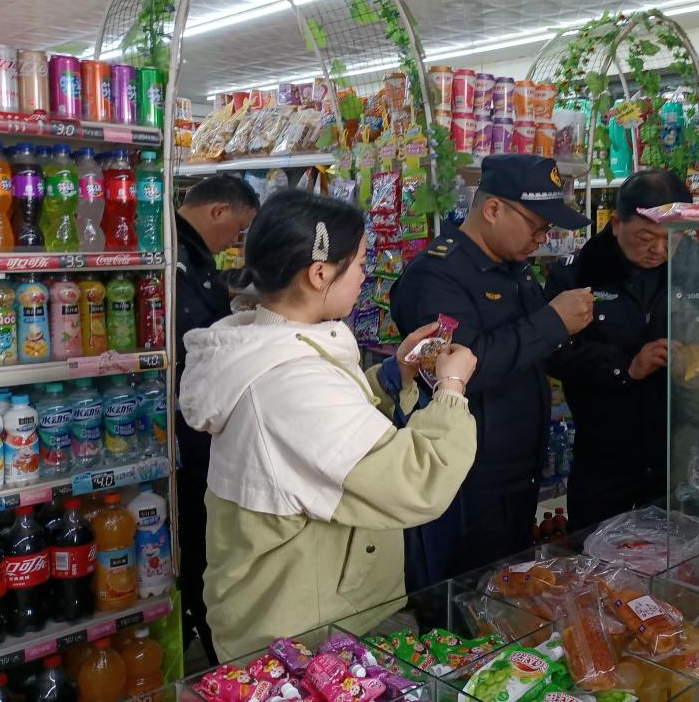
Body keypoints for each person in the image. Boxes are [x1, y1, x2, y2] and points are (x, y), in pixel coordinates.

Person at [178, 190, 478, 662]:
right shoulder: (291, 383)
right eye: (358, 263)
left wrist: (394, 374)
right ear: (319, 274)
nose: (364, 276)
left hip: (300, 606)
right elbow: (418, 480)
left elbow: (328, 434)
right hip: (304, 635)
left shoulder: (274, 346)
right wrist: (452, 388)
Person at [390, 154, 594, 586]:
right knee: (461, 595)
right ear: (493, 209)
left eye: (547, 229)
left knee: (505, 593)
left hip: (518, 469)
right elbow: (461, 368)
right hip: (466, 478)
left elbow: (535, 353)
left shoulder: (514, 269)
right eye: (536, 225)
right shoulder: (434, 276)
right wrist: (552, 322)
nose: (542, 238)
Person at [545, 170, 699, 529]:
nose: (659, 249)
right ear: (616, 224)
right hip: (604, 455)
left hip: (681, 454)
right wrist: (625, 367)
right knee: (596, 550)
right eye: (646, 237)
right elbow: (554, 353)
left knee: (680, 548)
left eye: (672, 238)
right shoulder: (578, 274)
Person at [173, 175, 260, 664]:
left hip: (192, 426)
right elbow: (195, 344)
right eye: (237, 229)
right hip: (185, 428)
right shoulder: (174, 255)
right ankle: (210, 645)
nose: (234, 241)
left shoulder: (189, 253)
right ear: (219, 211)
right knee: (198, 540)